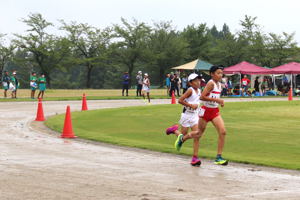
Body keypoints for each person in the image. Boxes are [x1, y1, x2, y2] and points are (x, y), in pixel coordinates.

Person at [173, 65, 228, 166]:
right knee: (198, 134)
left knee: (223, 131)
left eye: (221, 73)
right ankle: (182, 138)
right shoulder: (210, 84)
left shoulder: (219, 85)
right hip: (205, 111)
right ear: (212, 74)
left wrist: (220, 102)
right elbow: (202, 97)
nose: (220, 75)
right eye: (218, 73)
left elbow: (213, 97)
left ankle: (218, 157)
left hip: (215, 111)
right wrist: (218, 100)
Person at [165, 73, 202, 166]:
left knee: (197, 135)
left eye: (199, 80)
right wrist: (190, 105)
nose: (198, 82)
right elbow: (180, 100)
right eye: (196, 80)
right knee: (182, 135)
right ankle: (174, 131)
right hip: (186, 115)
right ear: (190, 83)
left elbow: (198, 102)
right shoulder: (190, 90)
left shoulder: (200, 91)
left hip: (194, 116)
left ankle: (194, 158)